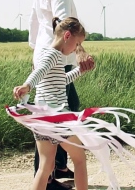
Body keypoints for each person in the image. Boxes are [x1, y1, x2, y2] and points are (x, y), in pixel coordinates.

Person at [28, 0, 95, 190]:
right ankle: (51, 179)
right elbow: (64, 22)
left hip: (45, 54)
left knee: (49, 116)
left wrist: (36, 50)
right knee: (65, 114)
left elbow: (35, 20)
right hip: (60, 56)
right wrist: (80, 51)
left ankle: (53, 172)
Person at [14, 17, 93, 190]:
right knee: (80, 159)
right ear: (67, 36)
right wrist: (27, 85)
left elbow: (61, 80)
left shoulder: (47, 54)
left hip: (41, 117)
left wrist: (80, 70)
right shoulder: (53, 55)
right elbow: (39, 72)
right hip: (56, 117)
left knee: (45, 167)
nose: (77, 49)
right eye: (77, 43)